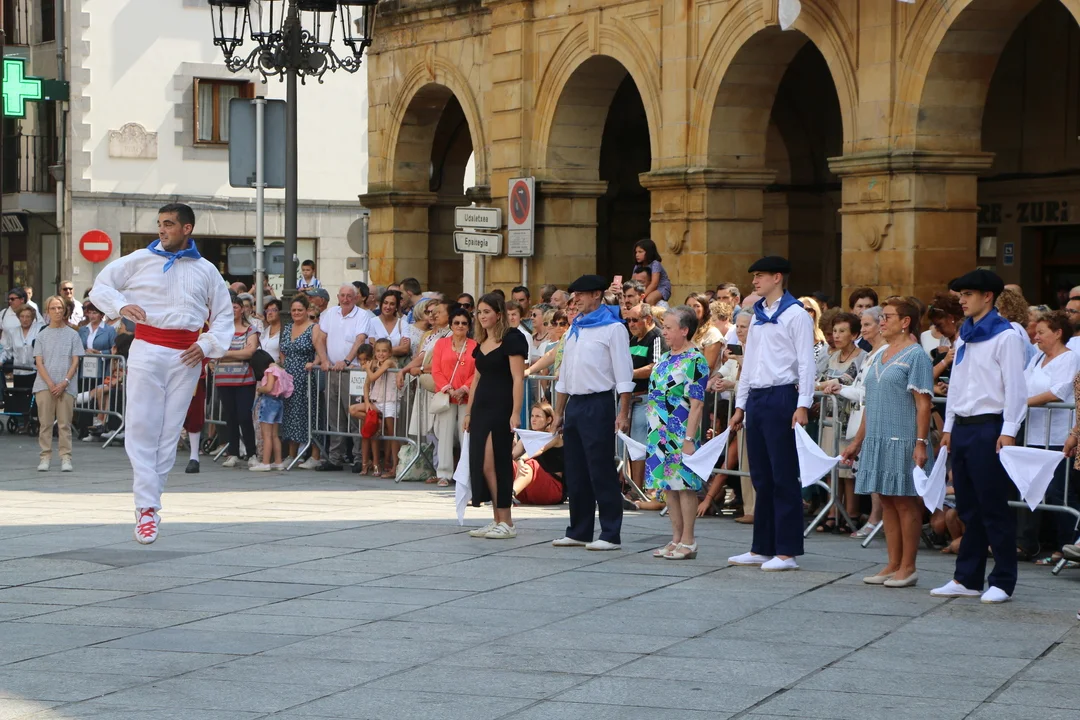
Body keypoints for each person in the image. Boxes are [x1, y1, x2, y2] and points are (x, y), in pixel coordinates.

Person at [89, 202, 232, 544]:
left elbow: (224, 315)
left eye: (168, 224)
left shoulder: (207, 270)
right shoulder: (139, 259)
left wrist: (207, 344)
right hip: (147, 349)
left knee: (169, 432)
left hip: (187, 355)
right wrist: (121, 305)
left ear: (186, 228)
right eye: (159, 223)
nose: (162, 229)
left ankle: (151, 504)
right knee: (142, 426)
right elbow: (101, 285)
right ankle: (146, 508)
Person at [932, 269, 1027, 604]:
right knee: (968, 506)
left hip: (990, 425)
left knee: (993, 506)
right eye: (961, 294)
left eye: (968, 294)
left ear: (988, 297)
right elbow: (957, 384)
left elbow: (1016, 388)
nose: (962, 300)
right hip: (964, 426)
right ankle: (967, 577)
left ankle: (1002, 579)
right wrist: (948, 427)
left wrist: (1009, 431)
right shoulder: (965, 335)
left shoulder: (1006, 335)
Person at [728, 256, 815, 571]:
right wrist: (740, 405)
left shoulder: (796, 315)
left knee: (783, 476)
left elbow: (806, 362)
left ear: (778, 277)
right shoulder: (757, 316)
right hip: (757, 397)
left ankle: (787, 551)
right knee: (761, 476)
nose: (755, 281)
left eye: (761, 276)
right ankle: (762, 547)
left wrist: (803, 404)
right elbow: (749, 363)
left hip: (782, 395)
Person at [841, 298, 933, 587]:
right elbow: (870, 403)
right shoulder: (880, 354)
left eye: (888, 316)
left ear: (905, 322)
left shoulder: (916, 356)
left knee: (905, 502)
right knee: (887, 500)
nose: (882, 321)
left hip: (902, 438)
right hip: (878, 437)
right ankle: (893, 563)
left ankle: (909, 566)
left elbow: (923, 404)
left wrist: (920, 442)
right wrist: (857, 442)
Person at [551, 275, 634, 551]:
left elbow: (623, 373)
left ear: (597, 295)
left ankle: (610, 533)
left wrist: (623, 412)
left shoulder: (613, 328)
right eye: (574, 295)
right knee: (575, 469)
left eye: (581, 295)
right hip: (575, 403)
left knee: (600, 468)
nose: (575, 300)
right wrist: (559, 412)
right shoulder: (575, 327)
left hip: (598, 402)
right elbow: (565, 373)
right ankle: (579, 530)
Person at [647, 306, 710, 560]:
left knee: (684, 486)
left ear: (684, 330)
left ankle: (688, 540)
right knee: (667, 486)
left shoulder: (695, 360)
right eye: (663, 327)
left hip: (680, 431)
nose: (664, 332)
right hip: (658, 432)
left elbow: (697, 404)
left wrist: (689, 439)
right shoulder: (664, 358)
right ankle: (675, 538)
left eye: (669, 328)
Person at [464, 293, 527, 539]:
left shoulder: (512, 338)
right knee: (482, 463)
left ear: (498, 314)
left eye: (487, 312)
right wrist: (468, 412)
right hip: (481, 408)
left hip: (501, 407)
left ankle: (507, 521)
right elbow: (476, 379)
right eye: (479, 312)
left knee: (496, 462)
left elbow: (518, 378)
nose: (482, 316)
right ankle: (496, 519)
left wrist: (515, 412)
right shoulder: (481, 341)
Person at [1021, 311, 1079, 561]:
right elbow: (1022, 384)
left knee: (1059, 491)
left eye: (1041, 332)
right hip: (1034, 435)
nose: (1036, 337)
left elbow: (1058, 392)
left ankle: (1068, 543)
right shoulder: (1036, 358)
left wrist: (1022, 403)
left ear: (1058, 333)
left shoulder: (1069, 358)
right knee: (1033, 490)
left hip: (1057, 435)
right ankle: (1035, 542)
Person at [814, 311, 865, 533]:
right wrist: (820, 385)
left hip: (849, 419)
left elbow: (846, 380)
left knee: (846, 469)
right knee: (831, 467)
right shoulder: (832, 356)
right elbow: (820, 378)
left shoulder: (862, 356)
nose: (836, 335)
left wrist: (820, 385)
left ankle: (851, 513)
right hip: (829, 417)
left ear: (854, 334)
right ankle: (832, 511)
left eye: (842, 331)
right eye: (834, 331)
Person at [314, 284, 372, 471]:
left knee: (354, 414)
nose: (345, 299)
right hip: (332, 371)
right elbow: (320, 339)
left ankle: (359, 457)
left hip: (353, 371)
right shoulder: (330, 313)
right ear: (338, 297)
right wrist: (324, 360)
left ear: (355, 298)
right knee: (334, 415)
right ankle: (335, 457)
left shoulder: (362, 315)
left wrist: (346, 361)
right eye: (342, 295)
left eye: (349, 296)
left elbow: (360, 340)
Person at [32, 296, 83, 473]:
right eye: (53, 308)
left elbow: (75, 361)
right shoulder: (42, 335)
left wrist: (64, 382)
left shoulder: (73, 335)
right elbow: (39, 362)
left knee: (64, 423)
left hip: (66, 385)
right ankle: (45, 456)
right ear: (47, 311)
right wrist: (50, 383)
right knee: (45, 423)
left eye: (60, 308)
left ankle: (66, 457)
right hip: (44, 384)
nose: (57, 311)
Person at [431, 306, 477, 487]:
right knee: (444, 435)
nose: (460, 326)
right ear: (450, 324)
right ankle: (444, 473)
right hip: (446, 396)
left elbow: (477, 371)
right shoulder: (441, 344)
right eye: (456, 322)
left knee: (465, 435)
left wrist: (463, 389)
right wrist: (450, 390)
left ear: (468, 326)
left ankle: (466, 473)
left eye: (464, 323)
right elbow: (436, 370)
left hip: (466, 396)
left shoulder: (475, 345)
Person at [215, 293, 260, 468]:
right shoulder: (220, 330)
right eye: (229, 307)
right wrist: (236, 353)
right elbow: (214, 351)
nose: (232, 310)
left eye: (235, 307)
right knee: (230, 417)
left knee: (244, 416)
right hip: (224, 379)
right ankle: (233, 453)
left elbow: (249, 352)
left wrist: (225, 353)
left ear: (242, 310)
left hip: (244, 380)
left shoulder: (250, 330)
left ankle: (251, 453)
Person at [625, 303, 666, 490]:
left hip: (646, 399)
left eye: (635, 320)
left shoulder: (656, 336)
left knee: (639, 446)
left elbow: (655, 367)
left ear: (648, 319)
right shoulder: (633, 339)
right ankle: (631, 486)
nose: (631, 324)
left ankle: (639, 489)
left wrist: (628, 373)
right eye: (628, 320)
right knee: (627, 445)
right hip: (629, 399)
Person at [280, 295, 320, 469]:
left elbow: (320, 351)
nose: (296, 313)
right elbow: (282, 350)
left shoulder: (313, 328)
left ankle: (315, 456)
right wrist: (284, 366)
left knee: (309, 414)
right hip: (289, 376)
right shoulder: (288, 327)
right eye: (294, 310)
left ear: (306, 310)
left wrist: (314, 363)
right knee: (291, 415)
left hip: (306, 376)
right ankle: (292, 454)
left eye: (300, 310)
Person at [512, 402, 565, 504]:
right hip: (528, 493)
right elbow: (512, 456)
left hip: (553, 490)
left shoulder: (555, 437)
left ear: (548, 420)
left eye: (538, 416)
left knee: (531, 463)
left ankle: (510, 494)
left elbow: (540, 449)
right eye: (532, 416)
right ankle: (496, 495)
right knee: (506, 464)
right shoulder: (526, 438)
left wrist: (521, 459)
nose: (533, 419)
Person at [249, 349, 291, 472]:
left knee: (266, 435)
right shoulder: (280, 369)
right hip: (279, 402)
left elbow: (268, 388)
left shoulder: (270, 371)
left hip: (268, 402)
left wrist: (260, 389)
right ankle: (278, 462)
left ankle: (265, 462)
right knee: (274, 435)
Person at [365, 338, 400, 478]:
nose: (381, 354)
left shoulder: (389, 362)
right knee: (354, 409)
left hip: (390, 400)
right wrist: (366, 402)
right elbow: (367, 383)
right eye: (378, 351)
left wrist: (367, 368)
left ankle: (395, 467)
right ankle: (379, 423)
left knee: (392, 433)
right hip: (378, 400)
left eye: (384, 351)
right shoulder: (375, 363)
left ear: (390, 352)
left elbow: (373, 377)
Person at [364, 290, 410, 362]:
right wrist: (397, 349)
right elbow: (371, 348)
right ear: (381, 304)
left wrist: (380, 350)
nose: (388, 307)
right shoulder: (372, 322)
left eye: (392, 304)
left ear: (396, 307)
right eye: (385, 303)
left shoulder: (403, 324)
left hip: (397, 365)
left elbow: (405, 349)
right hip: (376, 365)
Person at [686, 293, 723, 369]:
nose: (691, 309)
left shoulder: (712, 333)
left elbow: (707, 367)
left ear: (705, 309)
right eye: (688, 306)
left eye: (696, 306)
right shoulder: (684, 331)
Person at [633, 238, 671, 306]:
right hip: (645, 288)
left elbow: (654, 284)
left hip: (661, 287)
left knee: (649, 299)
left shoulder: (655, 264)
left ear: (648, 252)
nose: (637, 255)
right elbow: (632, 282)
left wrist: (642, 296)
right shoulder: (637, 266)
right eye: (636, 252)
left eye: (640, 252)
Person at [259, 299, 283, 363]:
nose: (269, 313)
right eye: (267, 310)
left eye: (274, 310)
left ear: (280, 312)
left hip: (277, 367)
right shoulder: (264, 331)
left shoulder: (284, 331)